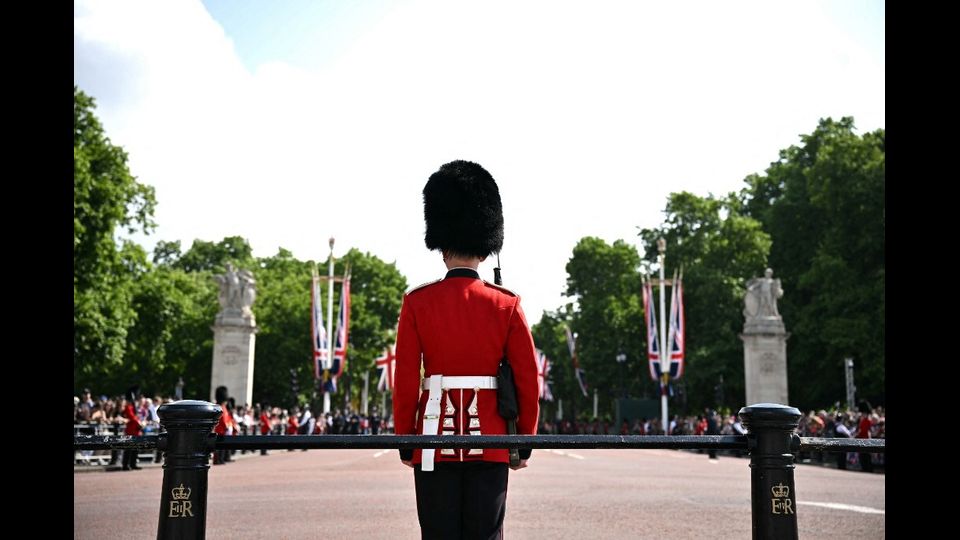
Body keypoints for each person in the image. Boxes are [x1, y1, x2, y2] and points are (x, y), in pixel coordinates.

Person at [394, 160, 540, 539]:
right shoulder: (505, 304)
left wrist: (405, 439)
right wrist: (523, 440)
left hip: (431, 437)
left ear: (442, 248)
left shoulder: (418, 302)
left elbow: (406, 379)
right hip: (490, 438)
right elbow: (528, 378)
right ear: (486, 248)